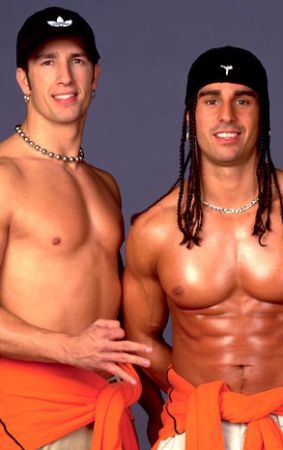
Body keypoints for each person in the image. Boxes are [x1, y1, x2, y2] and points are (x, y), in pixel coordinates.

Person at [123, 45, 283, 450]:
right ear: (190, 117)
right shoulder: (155, 229)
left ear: (263, 114)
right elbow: (140, 338)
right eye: (211, 100)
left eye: (243, 100)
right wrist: (197, 397)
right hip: (195, 424)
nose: (227, 115)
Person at [0, 7, 152, 450]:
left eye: (77, 60)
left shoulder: (105, 185)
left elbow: (120, 313)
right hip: (28, 416)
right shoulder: (4, 176)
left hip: (105, 408)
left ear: (95, 75)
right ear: (24, 80)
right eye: (47, 61)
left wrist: (159, 405)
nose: (65, 77)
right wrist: (68, 349)